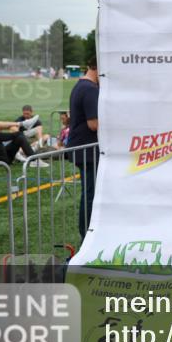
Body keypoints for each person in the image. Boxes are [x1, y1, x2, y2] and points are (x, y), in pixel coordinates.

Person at [67, 58, 100, 238]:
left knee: (89, 193)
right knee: (90, 195)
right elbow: (94, 124)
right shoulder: (90, 89)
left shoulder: (81, 86)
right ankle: (87, 233)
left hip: (82, 149)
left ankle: (87, 231)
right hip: (87, 151)